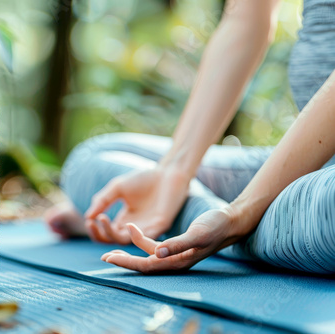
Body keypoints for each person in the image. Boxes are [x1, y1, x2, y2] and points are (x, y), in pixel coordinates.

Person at [45, 0, 335, 274]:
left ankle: (201, 228)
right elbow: (245, 21)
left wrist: (240, 214)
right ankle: (204, 224)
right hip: (318, 162)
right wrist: (173, 171)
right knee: (91, 159)